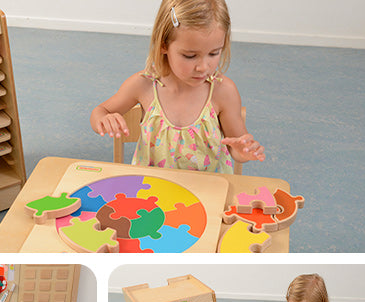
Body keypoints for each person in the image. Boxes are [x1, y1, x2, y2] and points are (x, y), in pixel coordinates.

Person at [89, 0, 263, 173]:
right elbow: (100, 111)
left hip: (207, 192)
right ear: (164, 45)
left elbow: (237, 146)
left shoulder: (223, 91)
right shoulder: (143, 84)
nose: (203, 66)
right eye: (190, 55)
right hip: (151, 190)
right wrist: (103, 120)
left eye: (214, 53)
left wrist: (243, 152)